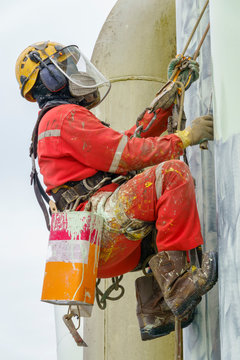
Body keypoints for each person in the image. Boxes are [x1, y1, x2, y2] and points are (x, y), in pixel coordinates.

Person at [15, 41, 217, 323]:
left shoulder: (52, 123)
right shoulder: (64, 117)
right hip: (101, 223)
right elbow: (126, 154)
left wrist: (169, 95)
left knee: (159, 208)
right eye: (68, 65)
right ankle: (178, 286)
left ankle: (156, 310)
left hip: (93, 243)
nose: (76, 71)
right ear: (51, 77)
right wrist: (183, 139)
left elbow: (127, 143)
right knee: (172, 176)